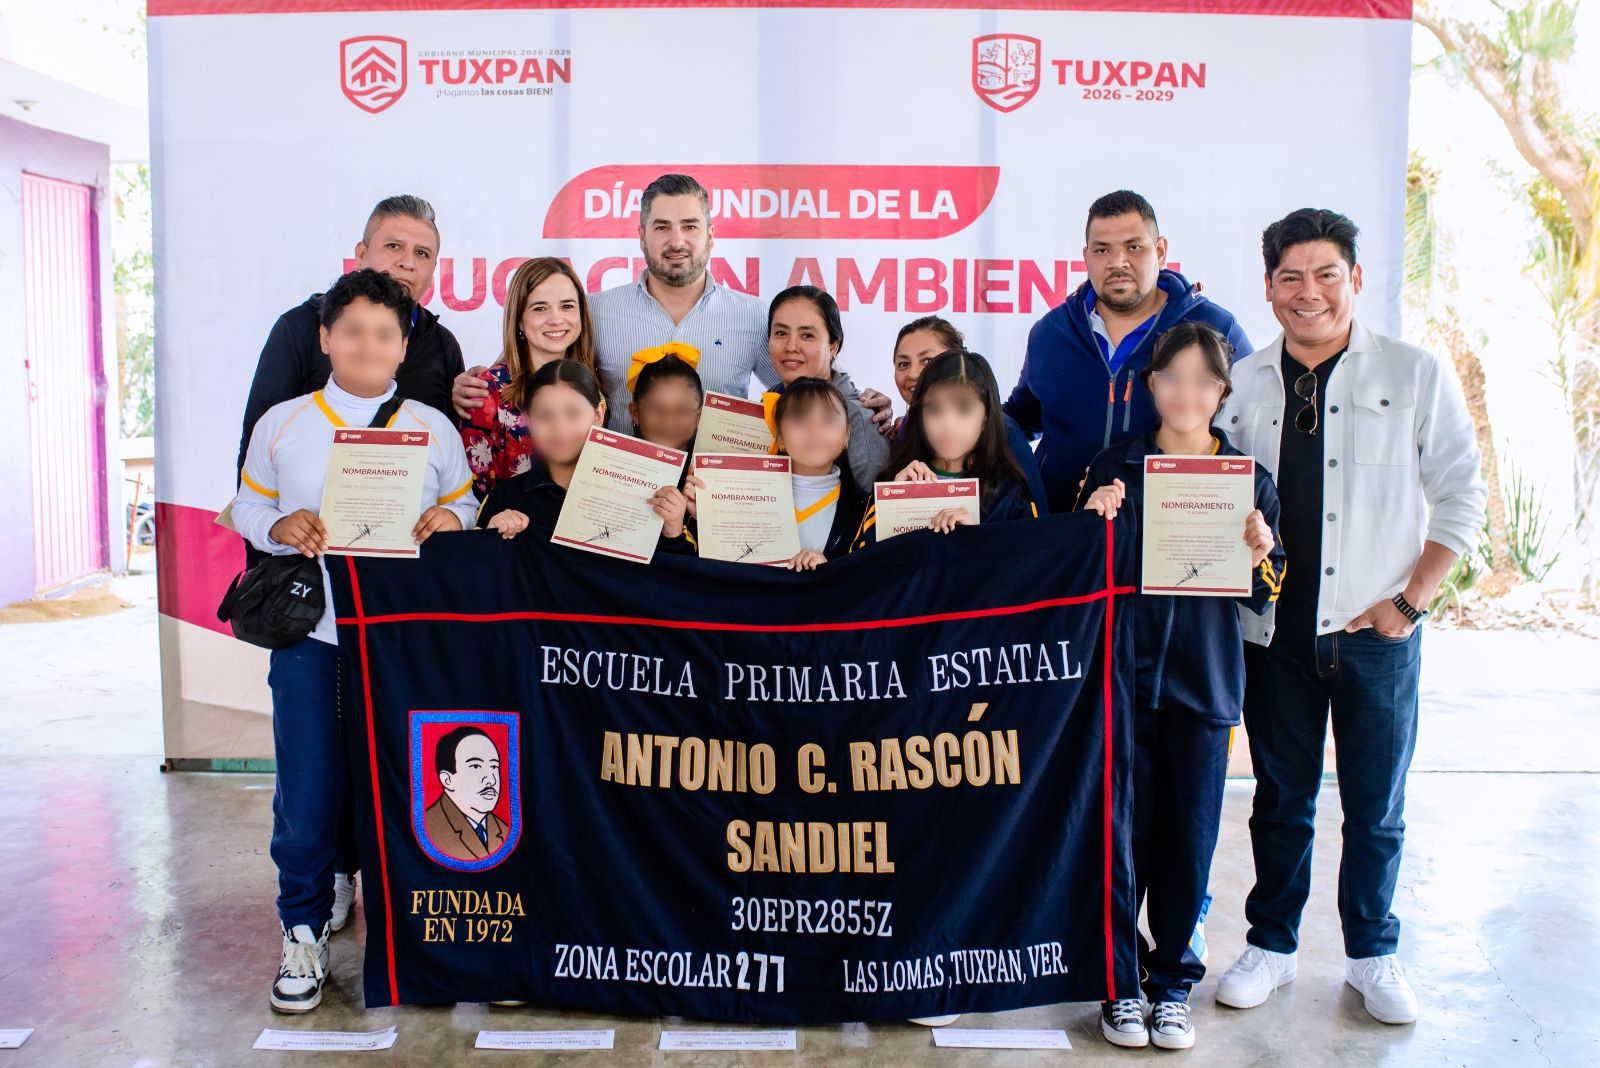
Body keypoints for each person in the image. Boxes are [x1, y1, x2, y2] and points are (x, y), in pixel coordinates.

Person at [1213, 209, 1487, 1026]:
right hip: (1274, 637)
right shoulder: (1241, 384)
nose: (1310, 293)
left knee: (1376, 808)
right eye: (1291, 277)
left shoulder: (1412, 372)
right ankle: (1271, 947)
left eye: (1326, 274)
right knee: (1280, 802)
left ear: (1355, 279)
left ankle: (1372, 954)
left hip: (1376, 635)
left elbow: (1461, 495)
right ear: (1269, 289)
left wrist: (1410, 602)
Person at [231, 269, 478, 1013]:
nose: (367, 345)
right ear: (325, 339)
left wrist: (453, 519)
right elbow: (246, 504)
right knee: (307, 794)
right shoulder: (283, 422)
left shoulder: (433, 427)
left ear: (402, 346)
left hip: (400, 644)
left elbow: (465, 502)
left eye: (383, 333)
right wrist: (277, 525)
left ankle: (417, 939)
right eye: (352, 331)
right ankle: (302, 931)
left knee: (408, 790)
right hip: (312, 638)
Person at [1076, 322, 1284, 1051]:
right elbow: (1080, 577)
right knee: (1119, 841)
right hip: (1121, 686)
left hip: (1206, 688)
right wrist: (1093, 520)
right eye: (1172, 378)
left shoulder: (1248, 481)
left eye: (1203, 381)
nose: (1186, 393)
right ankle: (1120, 984)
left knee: (1187, 846)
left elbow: (1266, 592)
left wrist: (1260, 551)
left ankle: (1171, 988)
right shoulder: (1117, 466)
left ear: (1222, 392)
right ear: (1151, 385)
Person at [1004, 190, 1251, 513]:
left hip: (1173, 530)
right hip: (1065, 528)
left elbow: (1250, 423)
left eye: (1134, 247)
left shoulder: (1216, 327)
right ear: (1086, 256)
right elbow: (1019, 420)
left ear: (1160, 252)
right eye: (1102, 250)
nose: (1117, 262)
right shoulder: (1051, 332)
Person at [239, 195, 464, 483]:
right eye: (393, 246)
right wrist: (266, 513)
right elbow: (257, 449)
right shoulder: (300, 327)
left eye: (422, 253)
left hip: (411, 512)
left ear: (433, 271)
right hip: (307, 511)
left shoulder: (443, 346)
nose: (408, 262)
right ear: (361, 254)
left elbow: (453, 466)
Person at [477, 359, 691, 554]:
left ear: (598, 415)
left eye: (573, 413)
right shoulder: (505, 498)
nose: (560, 429)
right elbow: (479, 570)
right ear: (529, 422)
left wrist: (672, 533)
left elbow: (676, 577)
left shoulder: (643, 495)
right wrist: (491, 536)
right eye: (545, 416)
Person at [855, 350, 1036, 548]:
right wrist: (892, 506)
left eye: (963, 409)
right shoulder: (894, 479)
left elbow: (1031, 562)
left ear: (986, 416)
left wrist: (977, 539)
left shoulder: (1010, 493)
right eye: (934, 409)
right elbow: (859, 560)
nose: (948, 425)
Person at [684, 376, 868, 570]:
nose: (814, 430)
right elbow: (718, 572)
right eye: (800, 421)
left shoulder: (865, 511)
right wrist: (707, 521)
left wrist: (829, 573)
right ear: (779, 438)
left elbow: (869, 579)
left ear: (847, 435)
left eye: (828, 420)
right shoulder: (742, 496)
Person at [458, 258, 598, 500]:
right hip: (508, 521)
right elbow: (473, 495)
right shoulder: (486, 392)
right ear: (519, 319)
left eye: (567, 306)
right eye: (540, 308)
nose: (556, 319)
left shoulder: (594, 384)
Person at [879, 315, 1048, 508]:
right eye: (903, 364)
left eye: (927, 360)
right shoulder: (905, 430)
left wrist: (974, 526)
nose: (913, 373)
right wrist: (892, 503)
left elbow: (1033, 519)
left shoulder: (1004, 433)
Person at [764, 285, 890, 490]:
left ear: (833, 347)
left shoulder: (859, 415)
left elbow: (878, 501)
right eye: (780, 333)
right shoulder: (770, 399)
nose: (791, 347)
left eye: (807, 335)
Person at [422, 727, 509, 863]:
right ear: (447, 780)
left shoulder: (504, 830)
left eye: (493, 767)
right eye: (476, 766)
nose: (491, 780)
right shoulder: (427, 827)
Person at [628, 348, 704, 456]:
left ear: (699, 417)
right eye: (656, 409)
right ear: (635, 413)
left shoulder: (717, 467)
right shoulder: (611, 465)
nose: (668, 424)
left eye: (683, 411)